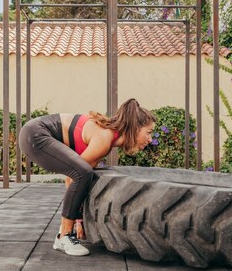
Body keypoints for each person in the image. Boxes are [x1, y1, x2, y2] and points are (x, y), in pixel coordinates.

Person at [19, 98, 156, 256]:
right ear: (135, 128)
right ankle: (64, 236)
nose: (150, 139)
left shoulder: (107, 138)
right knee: (83, 173)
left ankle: (64, 231)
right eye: (149, 132)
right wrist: (77, 221)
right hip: (35, 134)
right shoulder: (105, 138)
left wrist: (78, 220)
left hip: (34, 132)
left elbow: (74, 179)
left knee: (84, 173)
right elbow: (73, 177)